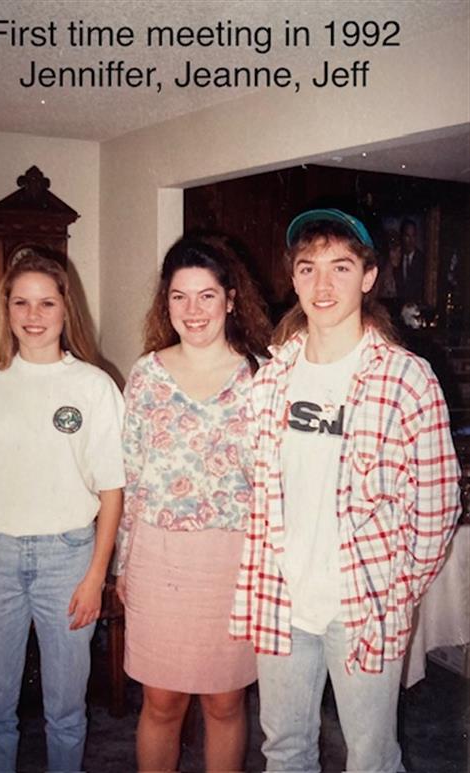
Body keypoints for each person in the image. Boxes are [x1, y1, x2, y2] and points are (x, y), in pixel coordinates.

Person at [230, 209, 461, 773]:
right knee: (284, 751)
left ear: (368, 276)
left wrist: (395, 590)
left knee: (372, 758)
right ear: (294, 277)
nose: (323, 284)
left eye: (341, 266)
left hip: (365, 604)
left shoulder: (406, 378)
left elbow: (438, 507)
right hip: (282, 599)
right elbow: (253, 477)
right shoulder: (273, 376)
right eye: (308, 268)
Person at [0, 253, 125, 773]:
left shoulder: (93, 386)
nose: (33, 314)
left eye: (46, 301)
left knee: (65, 709)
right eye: (21, 301)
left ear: (67, 308)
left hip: (67, 559)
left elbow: (112, 490)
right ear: (7, 310)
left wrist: (96, 577)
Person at [115, 234, 271, 772]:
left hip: (234, 562)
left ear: (231, 299)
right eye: (179, 297)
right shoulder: (146, 376)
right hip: (159, 559)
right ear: (166, 303)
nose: (192, 310)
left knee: (226, 701)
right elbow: (130, 479)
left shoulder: (263, 377)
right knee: (162, 702)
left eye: (206, 296)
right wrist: (122, 561)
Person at [395, 217, 425, 301]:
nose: (411, 240)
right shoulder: (396, 258)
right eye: (407, 236)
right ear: (402, 236)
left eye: (413, 236)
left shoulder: (423, 260)